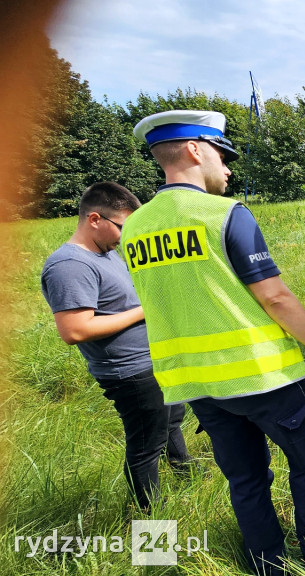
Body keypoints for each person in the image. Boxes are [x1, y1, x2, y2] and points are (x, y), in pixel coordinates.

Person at [124, 110, 305, 575]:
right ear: (194, 150)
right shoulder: (225, 214)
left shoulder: (133, 228)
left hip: (198, 385)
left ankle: (266, 562)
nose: (227, 168)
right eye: (221, 154)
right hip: (261, 374)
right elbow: (274, 295)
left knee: (245, 477)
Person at [40, 181, 194, 513]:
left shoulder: (108, 252)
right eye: (123, 227)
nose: (126, 236)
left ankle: (184, 468)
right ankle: (155, 523)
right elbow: (75, 330)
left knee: (171, 418)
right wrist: (146, 310)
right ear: (94, 218)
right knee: (145, 446)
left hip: (154, 359)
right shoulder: (70, 265)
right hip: (130, 371)